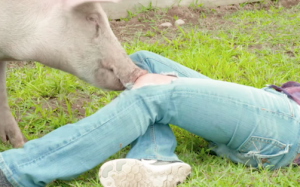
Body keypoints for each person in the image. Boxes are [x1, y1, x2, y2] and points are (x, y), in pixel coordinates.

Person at [1, 50, 300, 187]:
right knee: (143, 64)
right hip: (273, 105)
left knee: (154, 93)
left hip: (286, 122)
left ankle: (17, 170)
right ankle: (154, 161)